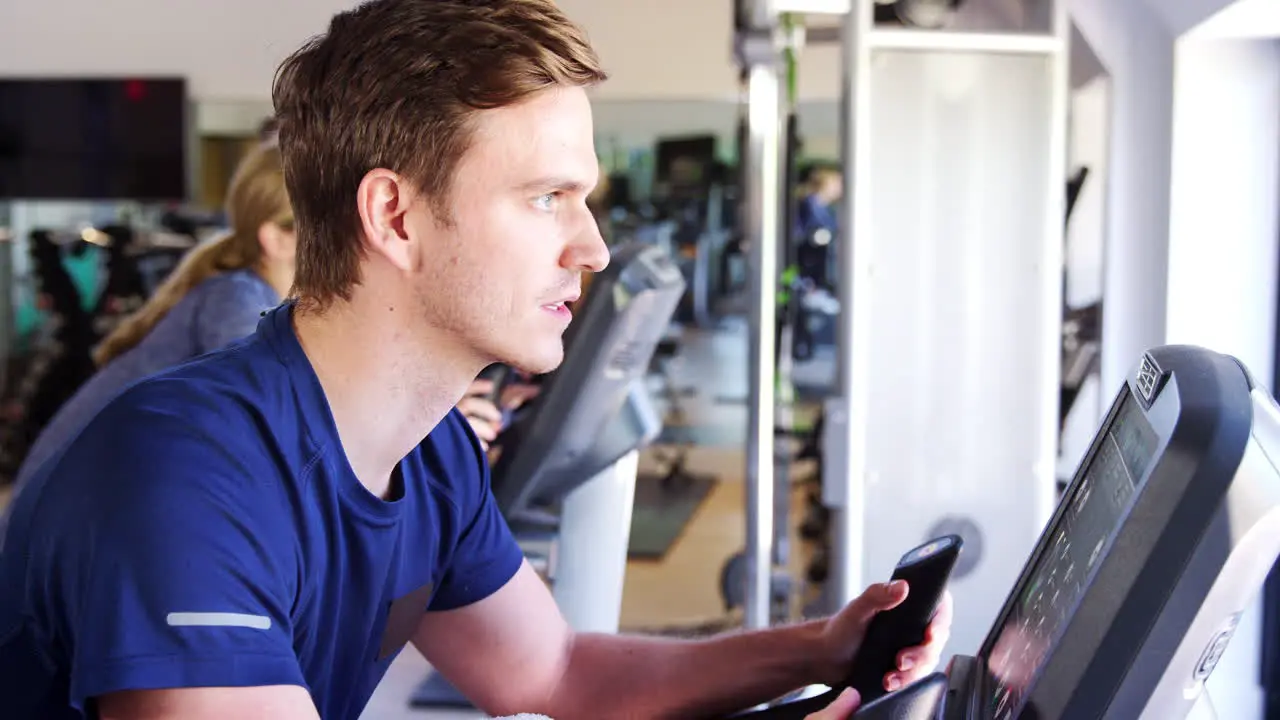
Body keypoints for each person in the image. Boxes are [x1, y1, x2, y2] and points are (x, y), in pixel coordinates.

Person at [0, 2, 953, 720]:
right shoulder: (186, 477)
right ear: (396, 217)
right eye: (547, 198)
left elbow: (557, 672)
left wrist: (821, 651)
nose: (594, 247)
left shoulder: (429, 454)